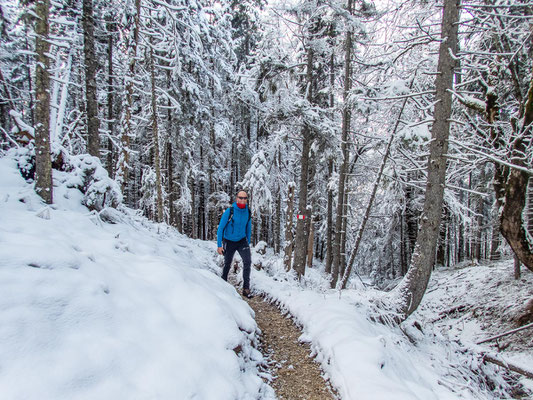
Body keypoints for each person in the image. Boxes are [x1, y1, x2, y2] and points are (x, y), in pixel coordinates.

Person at [217, 190, 253, 298]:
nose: (242, 200)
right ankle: (222, 284)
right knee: (227, 263)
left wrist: (248, 242)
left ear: (247, 200)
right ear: (237, 198)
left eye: (245, 198)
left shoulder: (248, 212)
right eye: (240, 198)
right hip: (229, 241)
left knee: (248, 261)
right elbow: (221, 228)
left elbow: (248, 228)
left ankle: (246, 289)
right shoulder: (230, 211)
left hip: (242, 241)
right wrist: (219, 245)